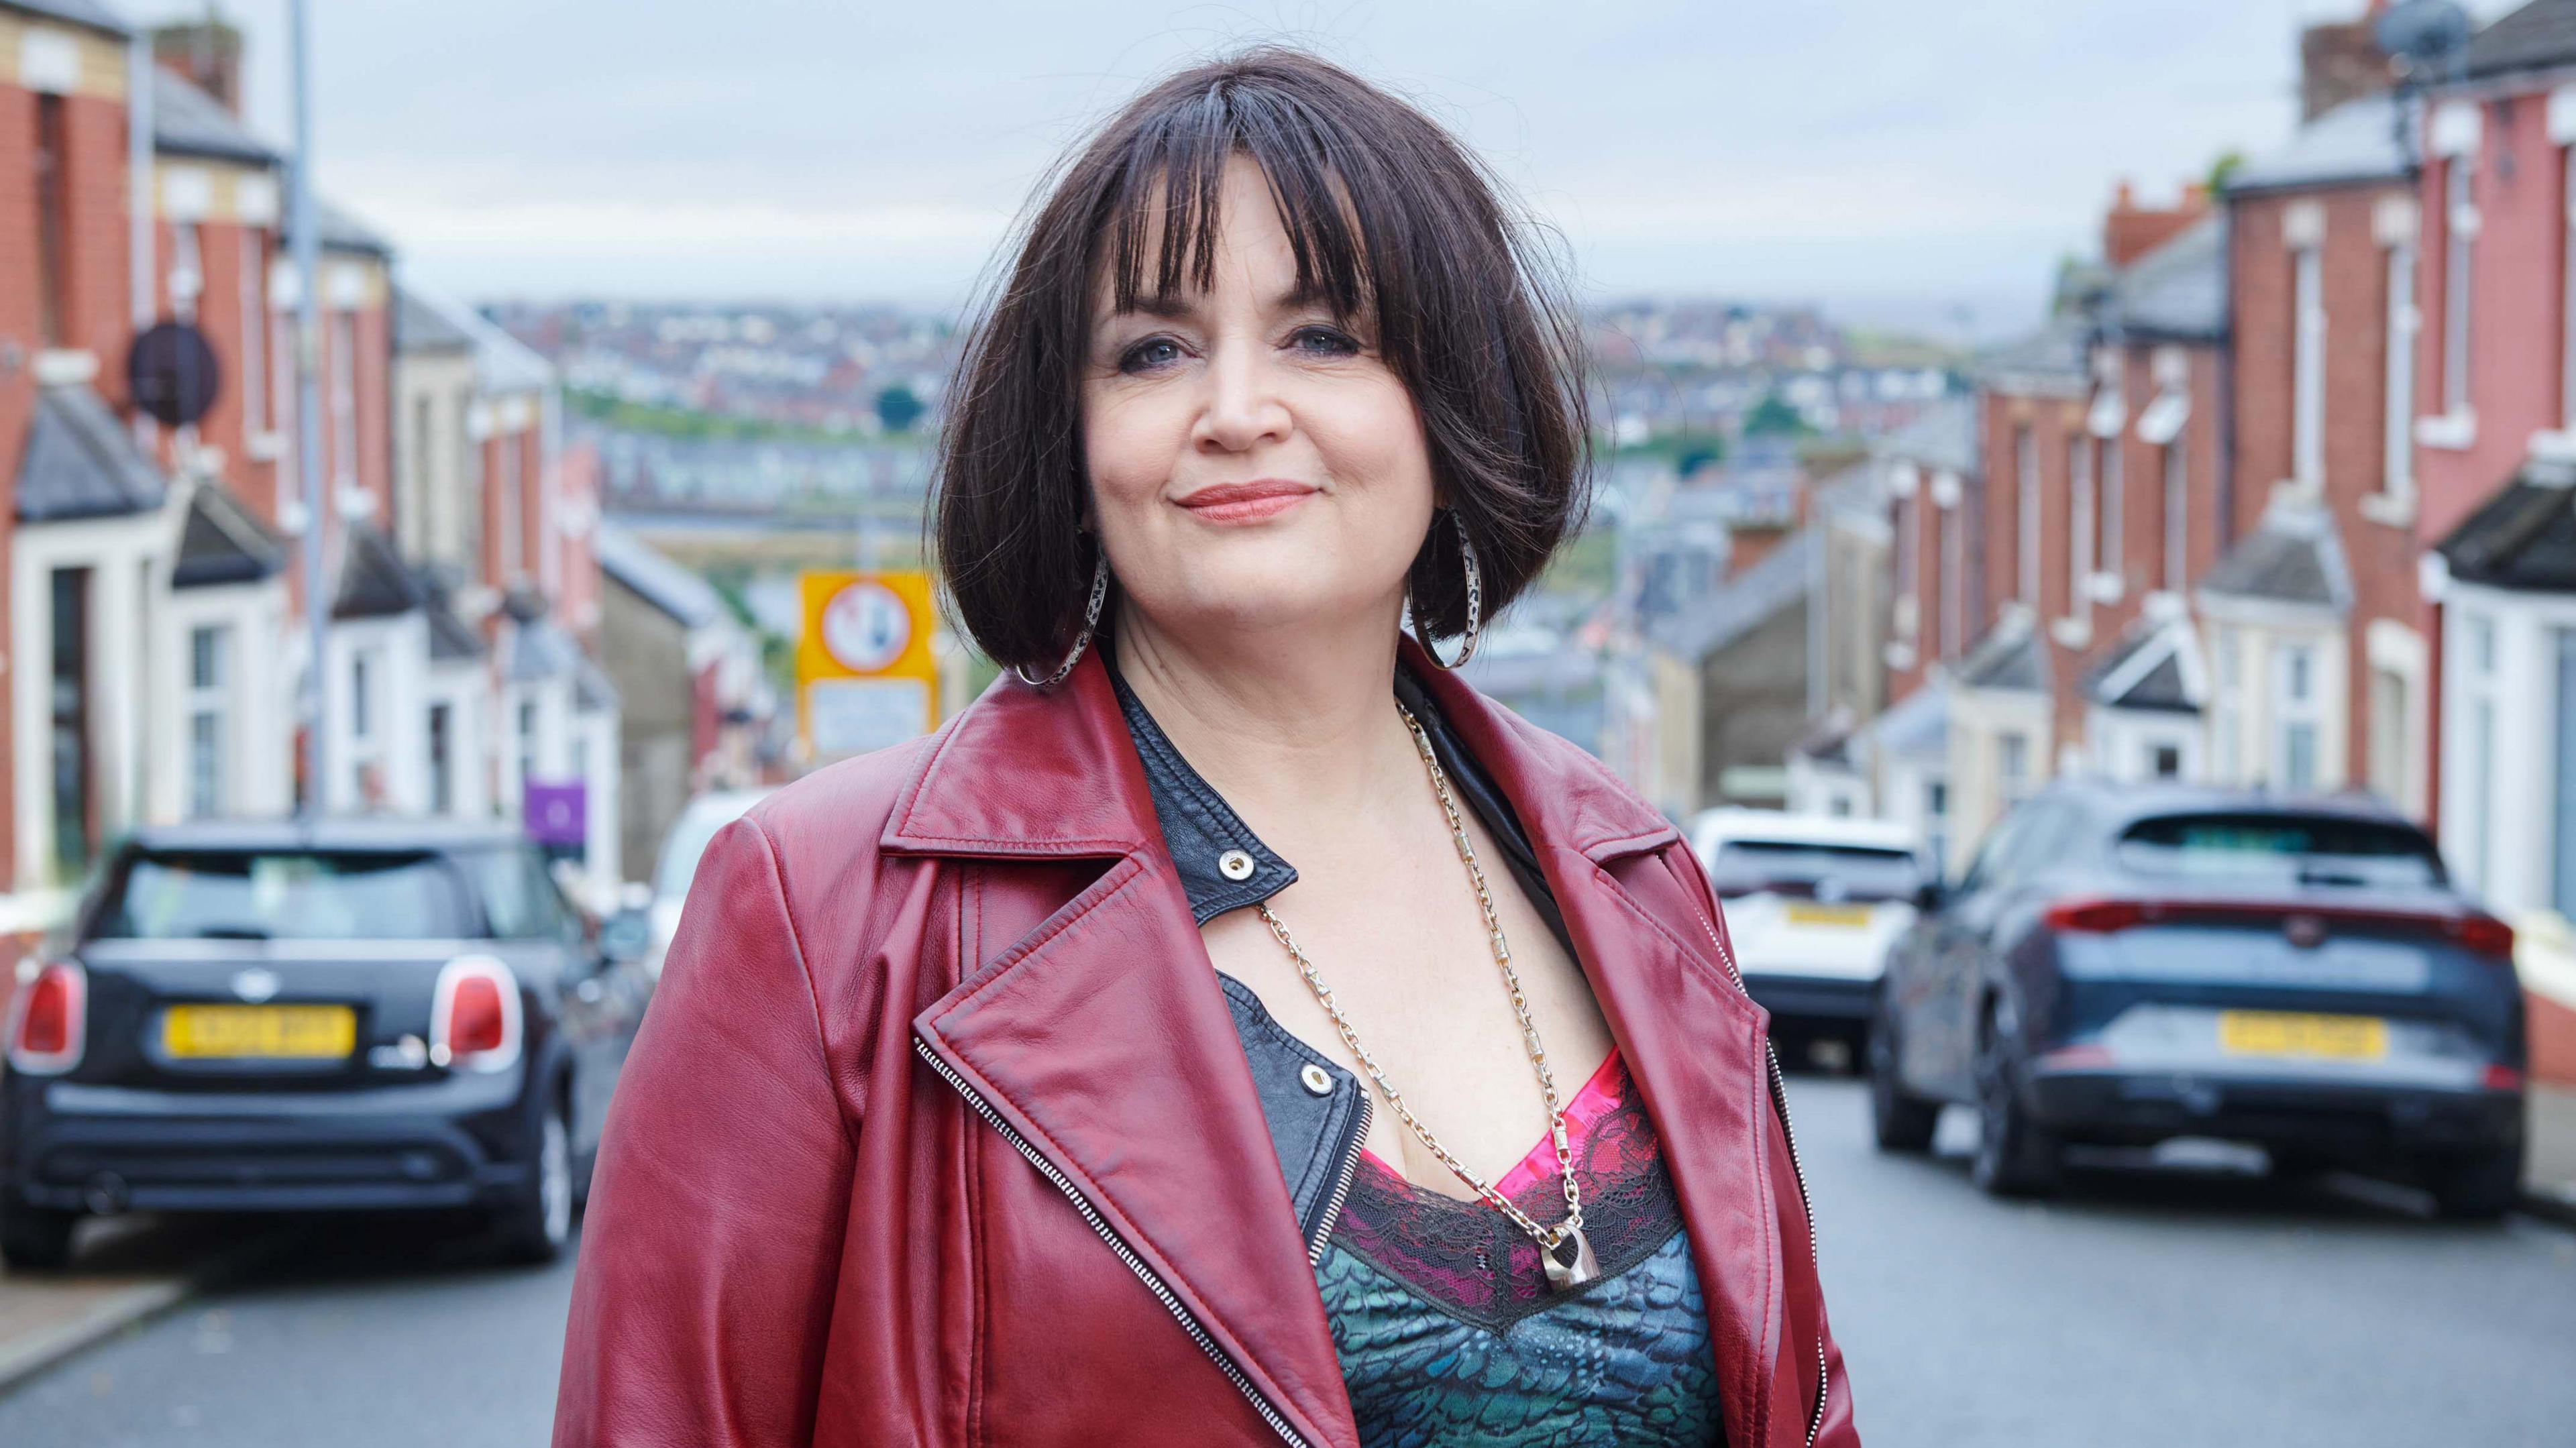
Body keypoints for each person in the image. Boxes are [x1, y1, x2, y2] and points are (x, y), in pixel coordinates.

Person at [555, 47, 1856, 1448]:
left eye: (1322, 336)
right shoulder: (820, 914)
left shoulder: (1636, 877)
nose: (1235, 409)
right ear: (1075, 434)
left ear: (1453, 400)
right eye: (1154, 351)